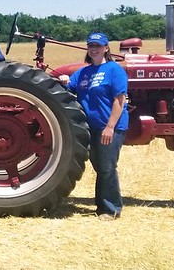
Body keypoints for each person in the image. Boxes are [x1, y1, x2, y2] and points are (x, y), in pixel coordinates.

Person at [59, 32, 128, 220]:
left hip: (110, 127)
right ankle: (102, 205)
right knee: (100, 167)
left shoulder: (114, 70)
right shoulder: (83, 72)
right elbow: (69, 88)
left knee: (107, 167)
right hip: (91, 128)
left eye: (98, 46)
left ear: (106, 48)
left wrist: (110, 127)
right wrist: (64, 81)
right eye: (91, 46)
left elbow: (119, 100)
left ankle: (111, 209)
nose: (94, 49)